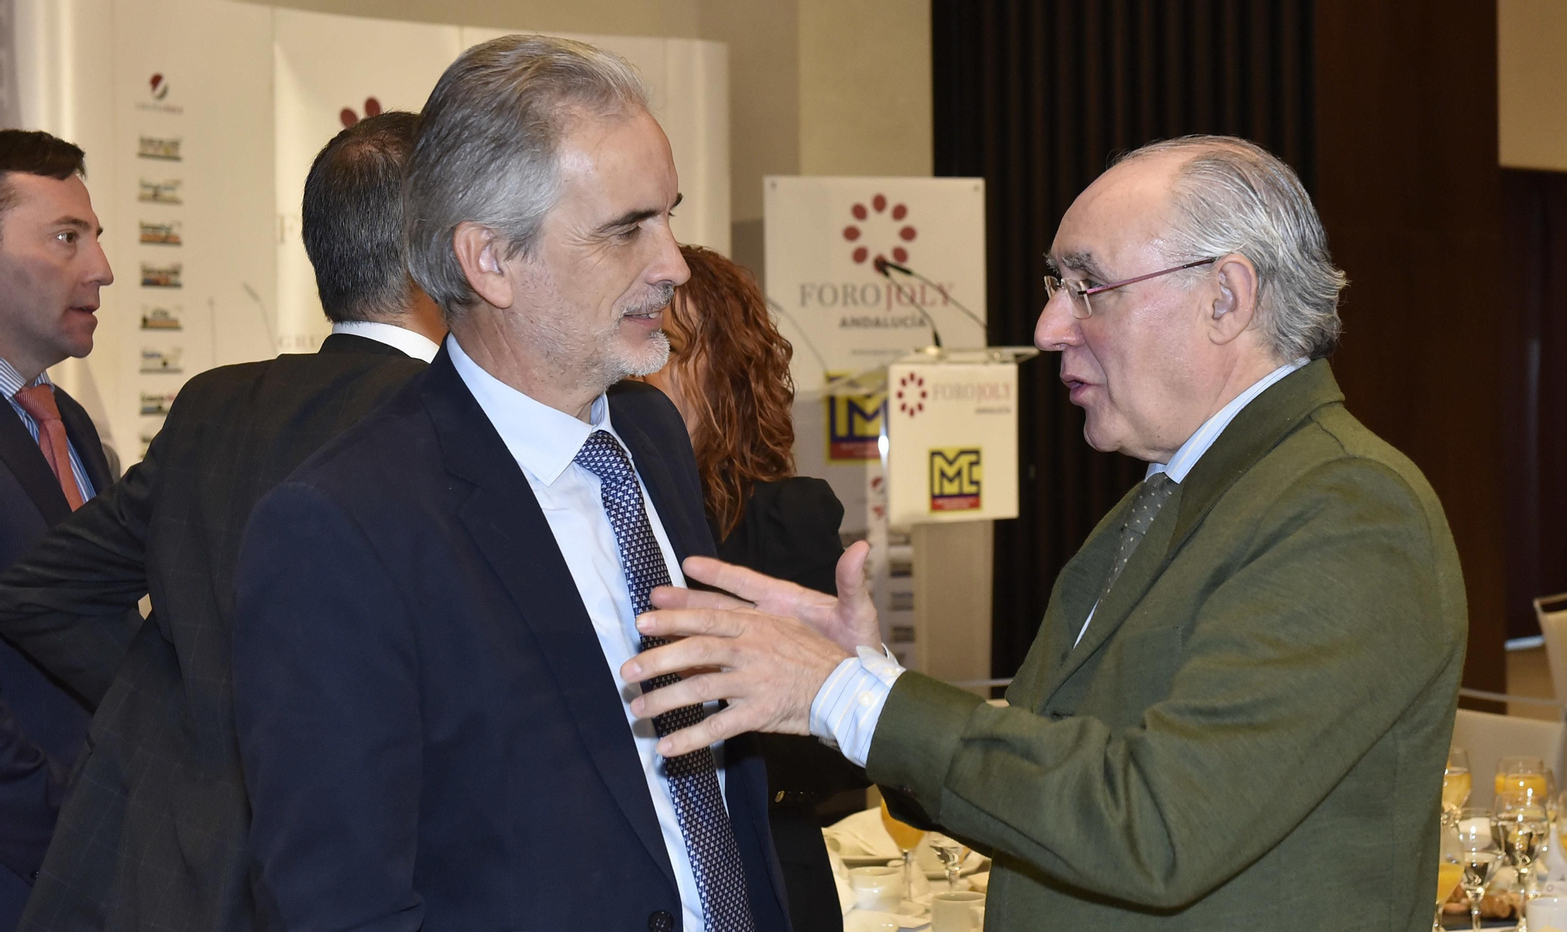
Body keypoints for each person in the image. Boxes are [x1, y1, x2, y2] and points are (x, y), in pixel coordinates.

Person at [623, 135, 1469, 930]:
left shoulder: (1348, 507)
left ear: (1226, 297)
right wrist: (868, 675)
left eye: (1086, 287)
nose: (1048, 327)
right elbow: (1043, 777)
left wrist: (849, 695)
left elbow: (1158, 824)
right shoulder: (1167, 501)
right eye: (1054, 286)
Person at [230, 36, 788, 932]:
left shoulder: (649, 437)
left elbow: (711, 790)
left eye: (669, 217)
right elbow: (342, 903)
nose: (675, 264)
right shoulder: (343, 526)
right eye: (627, 229)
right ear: (490, 260)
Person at [0, 111, 440, 932]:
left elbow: (45, 595)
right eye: (66, 237)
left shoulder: (206, 408)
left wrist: (193, 717)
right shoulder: (461, 424)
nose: (102, 268)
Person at [642, 244, 868, 932]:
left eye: (668, 346)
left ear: (725, 373)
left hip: (769, 874)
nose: (643, 370)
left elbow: (837, 763)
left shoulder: (782, 516)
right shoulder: (591, 511)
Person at [0, 129, 116, 927]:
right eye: (67, 238)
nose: (102, 269)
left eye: (96, 238)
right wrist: (75, 836)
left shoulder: (68, 422)